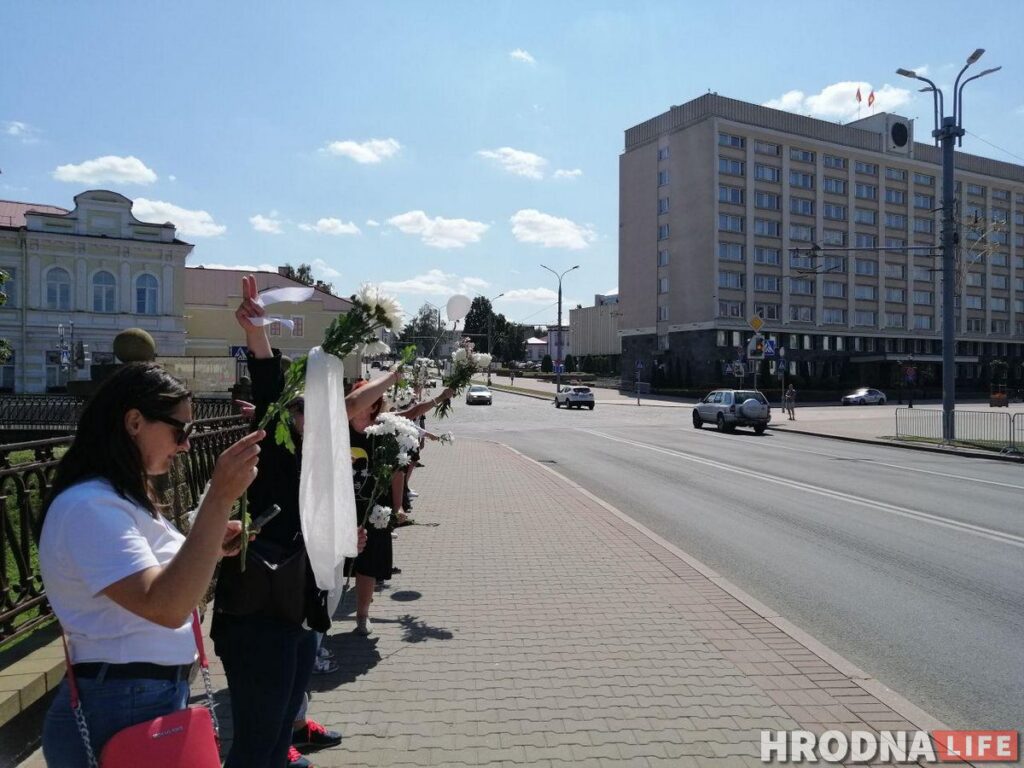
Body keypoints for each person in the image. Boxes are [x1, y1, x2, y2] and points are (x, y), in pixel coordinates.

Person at [39, 362, 263, 767]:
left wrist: (210, 544)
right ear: (134, 422)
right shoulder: (90, 506)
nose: (186, 446)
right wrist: (218, 498)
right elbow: (165, 606)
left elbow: (157, 579)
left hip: (140, 695)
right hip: (122, 702)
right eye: (181, 430)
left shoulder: (117, 498)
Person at [213, 275, 357, 768]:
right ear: (293, 414)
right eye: (316, 409)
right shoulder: (277, 443)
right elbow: (271, 385)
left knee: (276, 739)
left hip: (296, 608)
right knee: (256, 745)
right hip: (259, 608)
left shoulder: (323, 460)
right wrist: (257, 333)